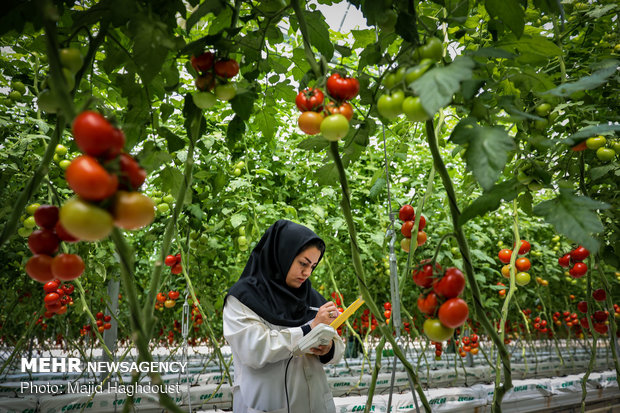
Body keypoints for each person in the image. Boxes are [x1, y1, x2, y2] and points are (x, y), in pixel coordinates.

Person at [223, 219, 345, 413]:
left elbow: (338, 347)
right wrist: (309, 330)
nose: (307, 273)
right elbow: (254, 349)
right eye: (302, 263)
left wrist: (329, 347)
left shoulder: (312, 298)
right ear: (282, 254)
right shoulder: (243, 299)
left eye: (312, 266)